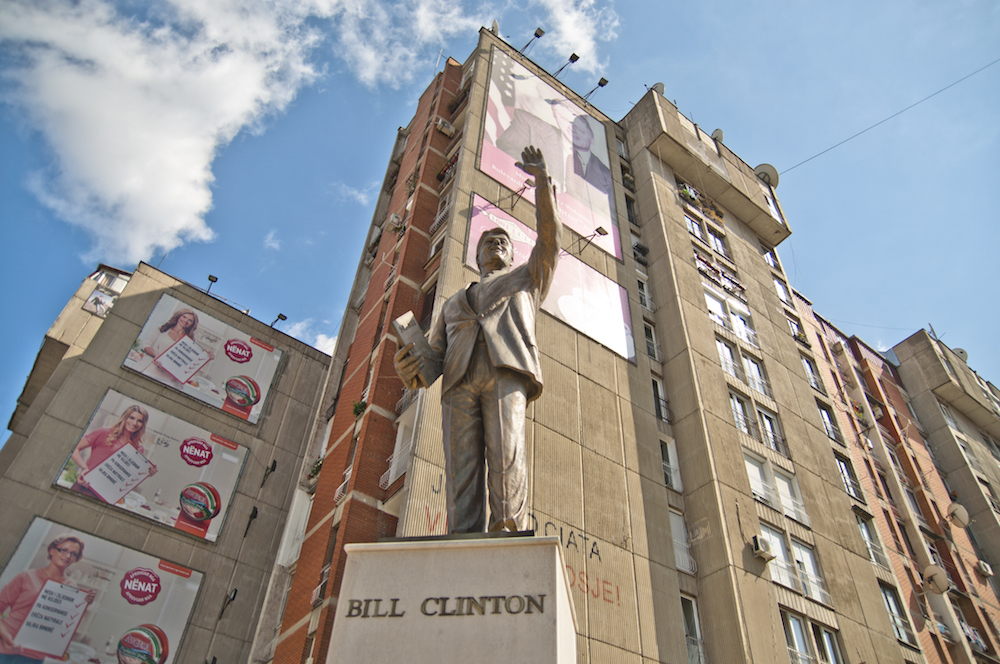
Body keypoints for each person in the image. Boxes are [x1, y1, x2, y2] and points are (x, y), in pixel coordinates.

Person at [395, 146, 561, 533]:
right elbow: (432, 359)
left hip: (506, 372)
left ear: (512, 254)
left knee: (507, 454)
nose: (496, 244)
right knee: (461, 466)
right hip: (457, 381)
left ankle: (507, 528)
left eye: (503, 242)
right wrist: (408, 366)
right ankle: (463, 534)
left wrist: (541, 184)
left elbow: (550, 240)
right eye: (488, 241)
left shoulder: (527, 279)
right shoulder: (453, 302)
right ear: (477, 254)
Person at [0, 535, 96, 663]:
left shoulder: (70, 586)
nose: (68, 556)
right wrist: (4, 634)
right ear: (52, 550)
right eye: (64, 550)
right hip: (4, 648)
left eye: (73, 554)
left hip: (34, 656)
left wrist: (83, 602)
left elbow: (63, 622)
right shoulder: (26, 576)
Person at [69, 405, 156, 501]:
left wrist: (145, 473)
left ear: (143, 425)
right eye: (131, 418)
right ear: (125, 417)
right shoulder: (104, 432)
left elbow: (127, 476)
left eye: (140, 421)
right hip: (85, 487)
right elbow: (75, 448)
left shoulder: (139, 449)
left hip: (106, 495)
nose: (134, 423)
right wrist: (85, 468)